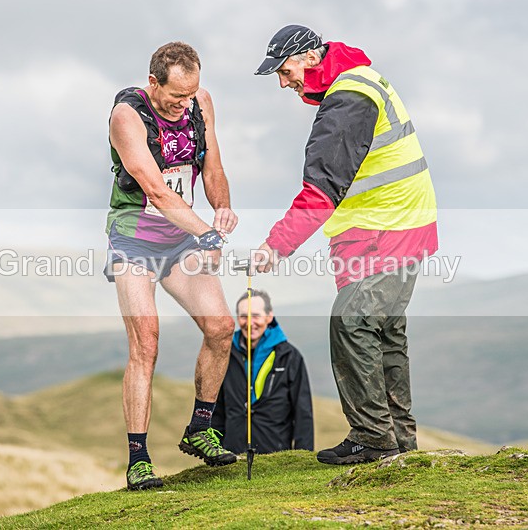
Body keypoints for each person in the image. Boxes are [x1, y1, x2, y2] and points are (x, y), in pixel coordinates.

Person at [251, 25, 438, 465]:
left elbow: (321, 188)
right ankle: (399, 443)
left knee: (351, 322)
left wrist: (276, 245)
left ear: (311, 58)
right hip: (384, 229)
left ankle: (373, 438)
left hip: (388, 230)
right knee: (383, 333)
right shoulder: (356, 81)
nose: (283, 81)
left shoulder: (349, 97)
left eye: (285, 69)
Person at [105, 41, 239, 490]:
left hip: (180, 239)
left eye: (191, 94)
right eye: (176, 97)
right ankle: (138, 458)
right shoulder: (127, 116)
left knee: (221, 328)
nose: (185, 105)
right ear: (153, 82)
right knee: (147, 342)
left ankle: (200, 429)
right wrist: (205, 231)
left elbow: (213, 165)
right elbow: (158, 192)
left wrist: (221, 212)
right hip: (135, 240)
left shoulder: (200, 104)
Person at [212, 289, 314, 454]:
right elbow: (217, 410)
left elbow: (303, 413)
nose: (250, 323)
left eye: (256, 316)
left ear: (269, 316)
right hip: (231, 456)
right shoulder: (225, 355)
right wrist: (215, 454)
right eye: (244, 316)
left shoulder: (289, 357)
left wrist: (303, 458)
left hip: (276, 456)